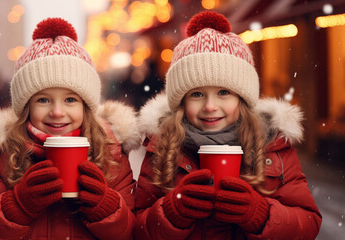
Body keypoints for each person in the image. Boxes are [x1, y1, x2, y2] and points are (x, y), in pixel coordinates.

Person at [135, 11, 321, 239]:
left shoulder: (274, 147)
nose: (210, 106)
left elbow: (308, 223)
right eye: (197, 94)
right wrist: (172, 213)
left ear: (242, 98)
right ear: (181, 102)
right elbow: (139, 228)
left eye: (224, 92)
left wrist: (260, 215)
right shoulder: (161, 148)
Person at [0, 18, 140, 239]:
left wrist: (105, 207)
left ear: (86, 107)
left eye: (70, 100)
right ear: (26, 107)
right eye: (43, 100)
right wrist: (18, 205)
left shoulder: (111, 154)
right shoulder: (5, 154)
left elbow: (131, 231)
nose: (56, 112)